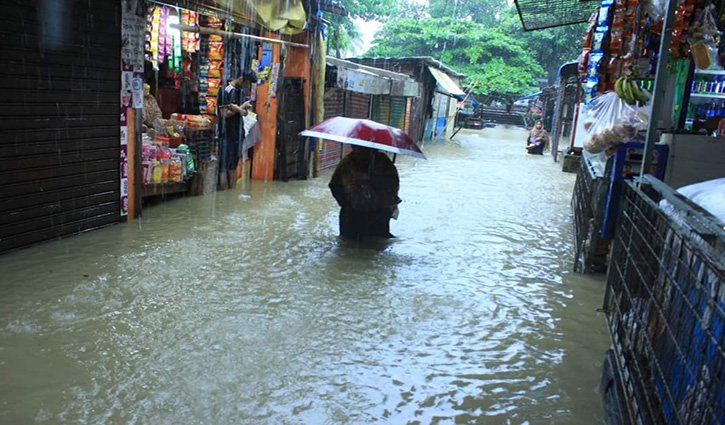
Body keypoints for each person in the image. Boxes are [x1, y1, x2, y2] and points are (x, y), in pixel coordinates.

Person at [329, 145, 401, 240]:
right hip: (352, 214)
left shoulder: (383, 162)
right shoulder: (348, 162)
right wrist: (347, 202)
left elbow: (392, 185)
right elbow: (335, 186)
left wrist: (370, 180)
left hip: (376, 214)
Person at [217, 70, 257, 190]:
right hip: (226, 133)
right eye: (247, 84)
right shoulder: (226, 90)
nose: (247, 87)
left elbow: (244, 113)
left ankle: (232, 194)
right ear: (241, 79)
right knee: (224, 165)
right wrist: (239, 109)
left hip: (237, 133)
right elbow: (223, 114)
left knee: (233, 164)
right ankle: (224, 192)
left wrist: (240, 108)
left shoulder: (240, 92)